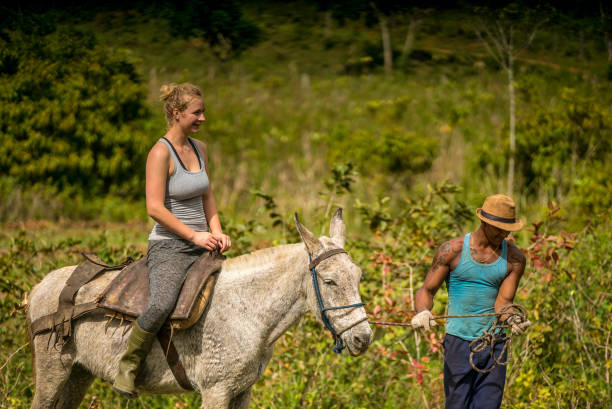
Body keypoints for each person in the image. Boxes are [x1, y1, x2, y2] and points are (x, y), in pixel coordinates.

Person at [113, 83, 231, 397]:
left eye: (203, 111)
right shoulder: (159, 153)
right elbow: (154, 208)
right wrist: (194, 234)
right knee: (162, 302)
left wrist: (217, 231)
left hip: (203, 242)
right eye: (197, 112)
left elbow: (208, 195)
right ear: (177, 114)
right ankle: (128, 363)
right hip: (170, 245)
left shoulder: (201, 148)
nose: (203, 118)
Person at [411, 194, 530, 409]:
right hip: (458, 343)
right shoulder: (452, 251)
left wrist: (512, 318)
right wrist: (422, 312)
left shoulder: (514, 258)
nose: (504, 234)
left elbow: (503, 302)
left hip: (495, 344)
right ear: (484, 222)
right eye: (498, 228)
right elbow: (427, 290)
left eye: (508, 229)